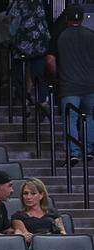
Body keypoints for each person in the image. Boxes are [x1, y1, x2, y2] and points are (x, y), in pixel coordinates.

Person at [52, 4, 94, 166]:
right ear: (82, 19)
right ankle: (89, 150)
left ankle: (74, 152)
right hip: (90, 85)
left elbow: (50, 60)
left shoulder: (60, 36)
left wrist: (56, 76)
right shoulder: (91, 35)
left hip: (68, 85)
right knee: (89, 117)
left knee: (70, 118)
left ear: (67, 19)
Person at [7, 0, 52, 109]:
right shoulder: (40, 2)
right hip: (40, 45)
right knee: (39, 76)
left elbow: (13, 27)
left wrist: (11, 40)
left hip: (22, 46)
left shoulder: (18, 4)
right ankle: (42, 102)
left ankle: (22, 102)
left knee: (19, 74)